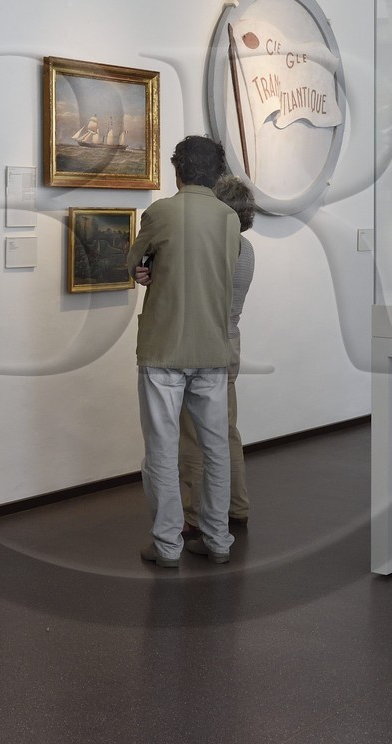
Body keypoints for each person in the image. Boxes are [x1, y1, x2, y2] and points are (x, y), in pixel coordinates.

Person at [126, 136, 240, 568]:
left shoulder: (161, 212)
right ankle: (218, 539)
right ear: (218, 173)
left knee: (162, 449)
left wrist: (142, 270)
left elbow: (135, 260)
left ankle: (168, 545)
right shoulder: (230, 218)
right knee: (216, 449)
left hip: (163, 350)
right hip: (212, 346)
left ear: (177, 170)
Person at [177, 174, 255, 537]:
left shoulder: (218, 247)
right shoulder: (246, 248)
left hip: (206, 346)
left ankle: (195, 517)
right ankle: (237, 507)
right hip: (230, 343)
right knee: (226, 430)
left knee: (194, 434)